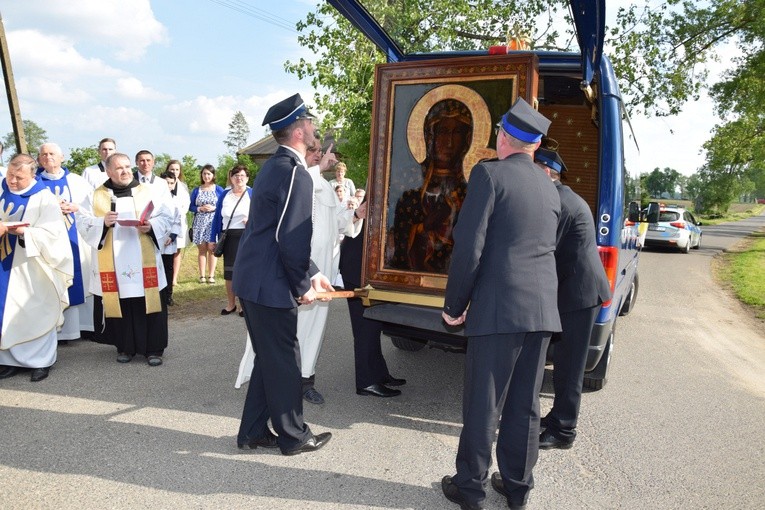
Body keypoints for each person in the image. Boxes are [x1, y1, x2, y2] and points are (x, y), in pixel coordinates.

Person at [440, 98, 561, 510]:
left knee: (483, 404)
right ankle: (517, 487)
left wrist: (455, 303)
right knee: (525, 406)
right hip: (541, 312)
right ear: (536, 144)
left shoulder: (488, 175)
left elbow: (469, 248)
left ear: (502, 137)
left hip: (498, 310)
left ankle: (470, 489)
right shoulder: (550, 186)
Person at [232, 93, 334, 456]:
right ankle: (294, 436)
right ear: (297, 131)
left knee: (269, 358)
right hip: (270, 284)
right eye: (308, 121)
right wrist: (302, 284)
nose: (313, 126)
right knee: (286, 361)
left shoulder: (275, 167)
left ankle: (253, 432)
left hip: (256, 280)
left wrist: (314, 272)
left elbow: (276, 231)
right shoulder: (296, 173)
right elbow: (289, 237)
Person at [533, 145, 611, 450]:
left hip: (579, 296)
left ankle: (564, 431)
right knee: (564, 364)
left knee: (569, 367)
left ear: (547, 172)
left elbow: (542, 248)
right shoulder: (561, 196)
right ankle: (556, 419)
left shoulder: (560, 202)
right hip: (573, 292)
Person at [76, 152, 173, 366]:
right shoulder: (95, 195)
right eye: (119, 168)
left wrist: (151, 226)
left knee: (149, 301)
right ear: (108, 171)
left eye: (128, 167)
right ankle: (125, 347)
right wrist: (102, 222)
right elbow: (82, 222)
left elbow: (167, 216)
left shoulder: (148, 192)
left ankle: (154, 349)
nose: (125, 171)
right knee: (121, 302)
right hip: (113, 263)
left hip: (143, 259)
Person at [0, 154, 73, 382]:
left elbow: (54, 236)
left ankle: (41, 362)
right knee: (6, 310)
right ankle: (9, 361)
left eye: (18, 177)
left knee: (35, 310)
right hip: (5, 265)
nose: (12, 181)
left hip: (33, 265)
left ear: (32, 175)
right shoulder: (2, 191)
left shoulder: (44, 199)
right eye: (10, 175)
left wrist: (24, 232)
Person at [391, 99, 471, 273]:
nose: (448, 142)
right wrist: (423, 227)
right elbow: (398, 239)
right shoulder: (407, 180)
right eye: (443, 131)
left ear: (467, 139)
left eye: (456, 132)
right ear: (430, 136)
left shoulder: (472, 186)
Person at [338, 194, 405, 398]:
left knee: (373, 327)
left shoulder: (382, 193)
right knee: (365, 329)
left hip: (364, 270)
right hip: (359, 271)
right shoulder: (379, 194)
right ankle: (367, 382)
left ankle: (379, 374)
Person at [36, 142, 95, 342]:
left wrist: (76, 206)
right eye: (43, 154)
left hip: (75, 239)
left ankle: (82, 329)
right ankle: (54, 331)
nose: (48, 157)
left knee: (80, 280)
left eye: (52, 153)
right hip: (48, 243)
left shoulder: (77, 181)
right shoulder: (34, 183)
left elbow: (93, 209)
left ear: (62, 157)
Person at [211, 165, 251, 316]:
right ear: (231, 178)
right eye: (236, 176)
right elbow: (216, 219)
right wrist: (212, 238)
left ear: (247, 178)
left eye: (242, 175)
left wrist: (252, 220)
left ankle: (243, 305)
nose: (239, 178)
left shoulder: (252, 193)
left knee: (245, 271)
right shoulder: (225, 195)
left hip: (247, 237)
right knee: (229, 273)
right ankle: (231, 304)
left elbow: (261, 215)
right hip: (228, 237)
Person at [189, 164, 224, 284]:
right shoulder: (196, 190)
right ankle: (202, 275)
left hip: (213, 221)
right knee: (202, 248)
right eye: (204, 173)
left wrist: (214, 208)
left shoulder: (219, 189)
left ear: (213, 175)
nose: (206, 176)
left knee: (212, 248)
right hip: (200, 221)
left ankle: (211, 275)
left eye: (209, 173)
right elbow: (191, 206)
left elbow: (224, 204)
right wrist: (200, 209)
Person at [164, 160, 191, 291]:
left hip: (179, 220)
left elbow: (186, 204)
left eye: (177, 169)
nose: (174, 172)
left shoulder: (183, 186)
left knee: (177, 250)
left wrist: (178, 213)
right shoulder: (162, 183)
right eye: (172, 169)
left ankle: (174, 278)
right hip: (164, 224)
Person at [159, 171, 182, 306]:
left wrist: (172, 236)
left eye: (171, 183)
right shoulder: (153, 198)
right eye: (166, 183)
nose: (168, 185)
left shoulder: (176, 200)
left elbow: (177, 220)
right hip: (155, 238)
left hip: (168, 240)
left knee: (168, 268)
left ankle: (168, 295)